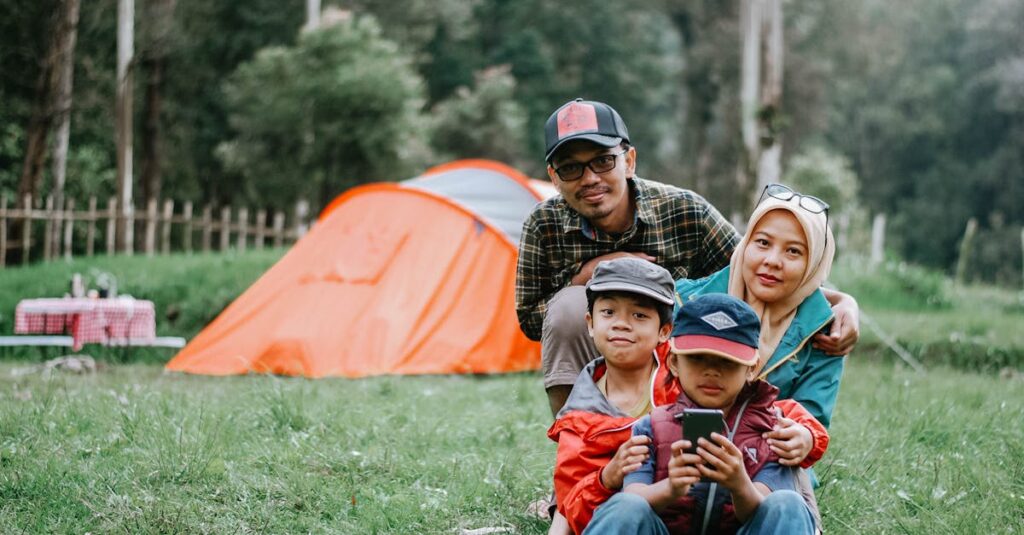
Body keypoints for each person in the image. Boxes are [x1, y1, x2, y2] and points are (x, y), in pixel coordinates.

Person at [515, 98, 860, 420]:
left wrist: (841, 300)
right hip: (596, 352)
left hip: (679, 363)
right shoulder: (543, 225)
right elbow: (531, 320)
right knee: (569, 309)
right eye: (571, 169)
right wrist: (587, 278)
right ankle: (579, 448)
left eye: (603, 161)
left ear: (629, 161)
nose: (590, 178)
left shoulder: (685, 211)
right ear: (554, 178)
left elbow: (754, 266)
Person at [549, 257, 826, 535]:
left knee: (787, 503)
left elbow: (768, 506)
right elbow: (620, 499)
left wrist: (742, 479)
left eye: (727, 362)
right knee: (625, 507)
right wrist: (670, 487)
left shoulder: (769, 429)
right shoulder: (648, 426)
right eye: (698, 360)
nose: (712, 372)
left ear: (751, 369)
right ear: (675, 363)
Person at [674, 184, 842, 431]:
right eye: (763, 242)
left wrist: (800, 435)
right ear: (745, 245)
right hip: (680, 443)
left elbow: (810, 418)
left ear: (814, 264)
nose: (772, 261)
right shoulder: (683, 302)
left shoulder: (824, 333)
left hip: (767, 455)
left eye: (793, 251)